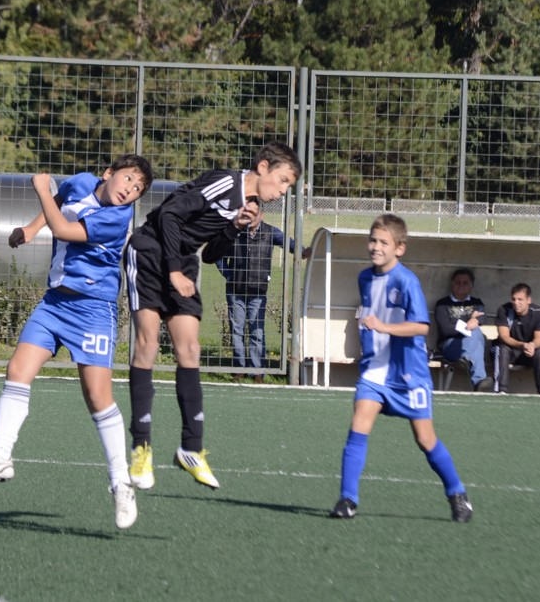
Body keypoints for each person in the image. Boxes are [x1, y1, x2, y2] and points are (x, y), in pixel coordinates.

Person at [0, 154, 153, 530]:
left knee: (98, 397)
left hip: (93, 310)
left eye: (138, 189)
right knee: (17, 369)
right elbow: (61, 201)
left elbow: (62, 228)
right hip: (54, 303)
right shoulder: (80, 182)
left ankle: (121, 483)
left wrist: (41, 191)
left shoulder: (117, 217)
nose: (130, 190)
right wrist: (32, 229)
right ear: (108, 173)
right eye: (128, 179)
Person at [125, 141, 302, 490]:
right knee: (147, 344)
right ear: (263, 167)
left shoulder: (247, 205)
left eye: (289, 187)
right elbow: (169, 214)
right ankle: (141, 448)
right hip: (150, 251)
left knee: (190, 350)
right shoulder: (226, 182)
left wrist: (235, 226)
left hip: (184, 259)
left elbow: (210, 255)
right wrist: (174, 270)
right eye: (283, 180)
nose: (283, 191)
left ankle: (191, 449)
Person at [328, 214, 472, 523]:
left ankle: (457, 493)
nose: (376, 247)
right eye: (373, 240)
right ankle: (348, 499)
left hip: (409, 374)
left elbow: (421, 327)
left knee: (425, 439)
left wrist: (384, 327)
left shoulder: (407, 281)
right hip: (374, 371)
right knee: (358, 425)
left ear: (399, 248)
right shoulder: (364, 278)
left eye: (384, 242)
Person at [216, 222, 310, 382]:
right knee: (237, 330)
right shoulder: (234, 231)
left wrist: (302, 251)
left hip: (258, 290)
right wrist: (229, 275)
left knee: (257, 331)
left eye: (254, 213)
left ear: (260, 214)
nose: (250, 216)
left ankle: (257, 371)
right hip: (235, 290)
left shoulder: (270, 232)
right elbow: (217, 254)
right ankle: (239, 369)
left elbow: (288, 243)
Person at [433, 267, 493, 392]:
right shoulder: (442, 304)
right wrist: (467, 325)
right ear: (452, 284)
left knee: (476, 333)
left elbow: (482, 318)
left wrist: (473, 322)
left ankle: (469, 363)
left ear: (471, 285)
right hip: (450, 345)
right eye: (458, 282)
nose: (461, 285)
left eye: (465, 283)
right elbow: (446, 329)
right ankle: (479, 380)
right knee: (474, 334)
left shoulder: (476, 302)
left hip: (471, 342)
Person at [493, 282, 540, 395]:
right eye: (513, 299)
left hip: (529, 352)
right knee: (502, 349)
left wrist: (532, 345)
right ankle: (501, 390)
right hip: (511, 351)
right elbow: (504, 337)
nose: (516, 303)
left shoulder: (538, 312)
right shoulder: (504, 310)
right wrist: (522, 345)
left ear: (528, 300)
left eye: (520, 300)